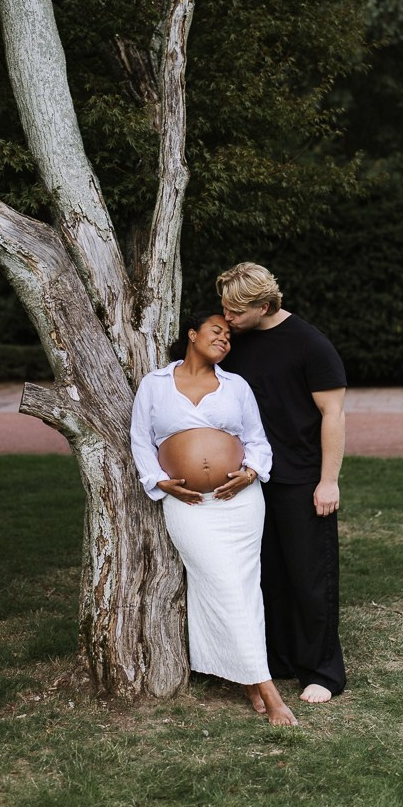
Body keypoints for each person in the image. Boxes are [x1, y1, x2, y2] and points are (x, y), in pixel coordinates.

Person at [130, 310, 298, 726]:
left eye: (229, 337)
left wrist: (251, 473)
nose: (225, 340)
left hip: (241, 503)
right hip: (190, 507)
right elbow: (139, 441)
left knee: (243, 588)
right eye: (216, 332)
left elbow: (257, 440)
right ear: (192, 334)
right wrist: (159, 481)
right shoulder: (154, 385)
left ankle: (250, 678)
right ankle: (268, 689)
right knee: (221, 584)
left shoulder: (235, 386)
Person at [216, 262, 347, 704]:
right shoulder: (235, 343)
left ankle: (322, 672)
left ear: (265, 305)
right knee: (265, 575)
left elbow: (333, 415)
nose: (227, 319)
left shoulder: (311, 345)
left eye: (236, 311)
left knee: (310, 576)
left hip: (301, 477)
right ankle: (277, 660)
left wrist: (328, 481)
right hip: (250, 477)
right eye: (224, 309)